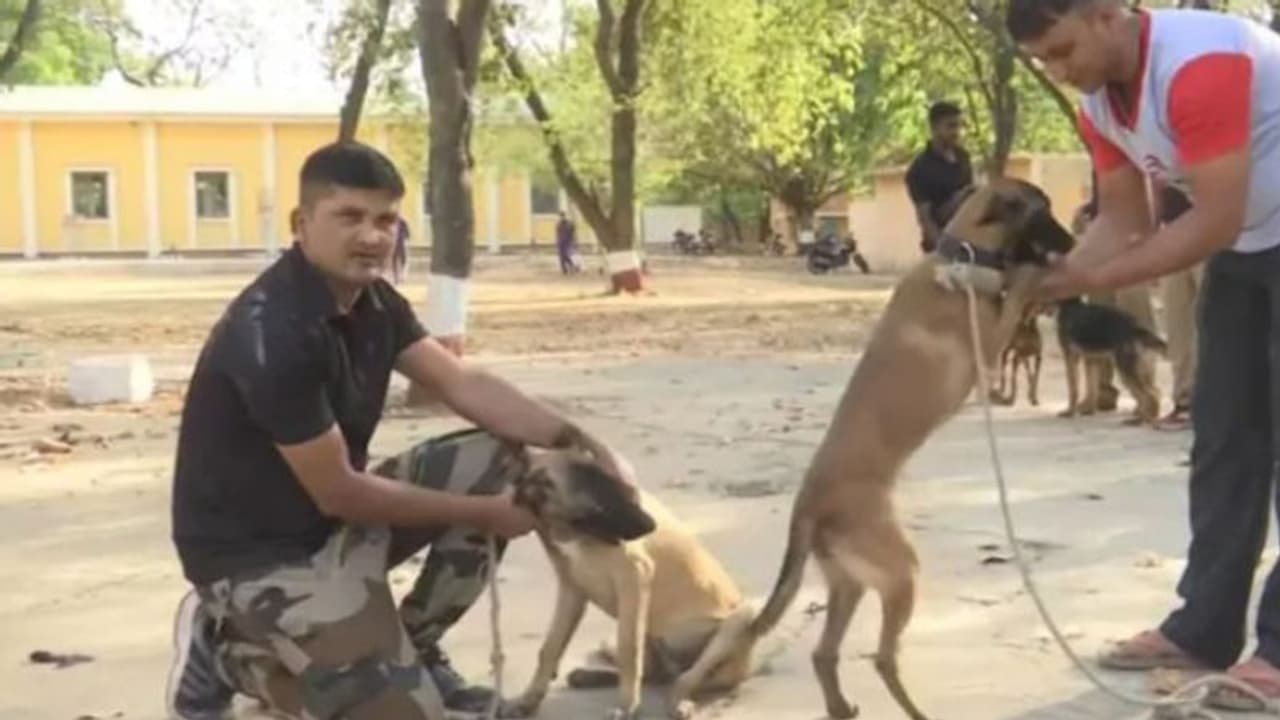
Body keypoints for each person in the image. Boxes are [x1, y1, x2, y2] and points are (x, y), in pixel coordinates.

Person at [165, 141, 635, 720]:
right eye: (349, 217)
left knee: (505, 460)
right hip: (258, 557)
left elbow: (462, 384)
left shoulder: (374, 302)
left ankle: (415, 643)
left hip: (333, 525)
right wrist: (487, 516)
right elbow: (338, 489)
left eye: (385, 220)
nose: (371, 236)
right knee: (403, 713)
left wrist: (579, 442)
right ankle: (228, 653)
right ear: (302, 224)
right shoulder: (272, 334)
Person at [1008, 0, 1280, 705]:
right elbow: (1122, 221)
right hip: (1251, 250)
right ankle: (1202, 630)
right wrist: (1050, 282)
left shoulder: (1200, 61)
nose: (1058, 71)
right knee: (1223, 441)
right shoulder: (1099, 108)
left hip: (1241, 234)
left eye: (1062, 51)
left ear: (1104, 14)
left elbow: (1211, 217)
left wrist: (1090, 280)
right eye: (1043, 62)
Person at [1154, 182, 1200, 431]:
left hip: (1208, 230)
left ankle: (1208, 401)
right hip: (1172, 233)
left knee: (1209, 322)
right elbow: (1154, 183)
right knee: (1176, 324)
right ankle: (1183, 401)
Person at [905, 100, 974, 254]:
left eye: (958, 126)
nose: (956, 131)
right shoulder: (920, 169)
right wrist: (944, 250)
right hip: (941, 245)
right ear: (934, 128)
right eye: (950, 126)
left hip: (970, 240)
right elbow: (926, 219)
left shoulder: (964, 157)